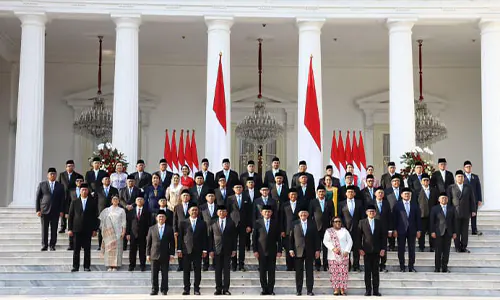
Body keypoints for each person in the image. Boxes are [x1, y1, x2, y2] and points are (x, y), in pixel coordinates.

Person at [177, 204, 208, 296]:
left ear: (198, 212)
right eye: (192, 210)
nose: (194, 212)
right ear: (188, 212)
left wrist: (205, 250)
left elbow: (205, 237)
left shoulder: (203, 223)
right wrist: (179, 249)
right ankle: (186, 289)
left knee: (197, 270)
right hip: (186, 250)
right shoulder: (183, 223)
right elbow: (180, 237)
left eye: (195, 210)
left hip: (198, 250)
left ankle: (196, 289)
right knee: (186, 270)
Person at [289, 210, 320, 296]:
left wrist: (317, 250)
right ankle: (299, 290)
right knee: (299, 272)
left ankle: (309, 290)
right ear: (299, 215)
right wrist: (291, 249)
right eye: (301, 214)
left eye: (305, 213)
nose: (303, 215)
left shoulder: (312, 223)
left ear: (308, 215)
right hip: (298, 251)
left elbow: (316, 237)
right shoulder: (294, 223)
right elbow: (291, 238)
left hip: (310, 250)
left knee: (309, 271)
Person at [68, 183, 98, 272]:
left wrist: (95, 229)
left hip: (88, 229)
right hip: (77, 229)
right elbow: (71, 216)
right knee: (76, 249)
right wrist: (69, 229)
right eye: (82, 190)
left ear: (88, 191)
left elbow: (95, 216)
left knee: (87, 249)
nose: (84, 191)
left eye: (85, 190)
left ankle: (87, 266)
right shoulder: (74, 201)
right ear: (80, 191)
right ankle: (75, 266)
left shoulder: (92, 202)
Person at [253, 205, 282, 295]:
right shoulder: (258, 223)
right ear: (261, 213)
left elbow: (279, 238)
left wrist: (279, 250)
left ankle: (270, 289)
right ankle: (264, 289)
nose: (267, 213)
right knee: (262, 271)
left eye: (269, 212)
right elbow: (254, 238)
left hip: (272, 250)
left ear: (271, 213)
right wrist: (255, 251)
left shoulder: (275, 223)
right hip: (261, 251)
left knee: (271, 271)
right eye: (265, 212)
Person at [358, 204, 386, 296]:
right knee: (367, 272)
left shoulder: (379, 222)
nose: (371, 213)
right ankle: (368, 290)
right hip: (366, 250)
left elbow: (383, 237)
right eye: (369, 211)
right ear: (366, 212)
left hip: (377, 251)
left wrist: (383, 248)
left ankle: (376, 290)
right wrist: (360, 248)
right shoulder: (362, 222)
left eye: (373, 211)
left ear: (375, 213)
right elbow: (358, 237)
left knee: (375, 272)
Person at [209, 205, 237, 295]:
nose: (222, 213)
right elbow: (210, 237)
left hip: (228, 249)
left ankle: (225, 289)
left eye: (223, 211)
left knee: (226, 270)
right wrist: (211, 250)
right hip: (216, 249)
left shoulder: (231, 222)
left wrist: (234, 249)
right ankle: (218, 289)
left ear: (226, 213)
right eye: (220, 211)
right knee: (217, 270)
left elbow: (234, 237)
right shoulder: (213, 222)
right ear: (217, 213)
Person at [146, 210, 175, 296]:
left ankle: (164, 290)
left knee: (165, 274)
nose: (161, 218)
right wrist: (148, 254)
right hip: (154, 255)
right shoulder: (151, 228)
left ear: (165, 218)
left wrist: (172, 254)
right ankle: (154, 289)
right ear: (156, 218)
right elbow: (148, 243)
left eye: (162, 217)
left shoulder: (169, 229)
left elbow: (172, 243)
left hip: (165, 255)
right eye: (159, 217)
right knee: (154, 274)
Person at [36, 167, 65, 251]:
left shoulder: (60, 186)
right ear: (47, 175)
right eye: (51, 174)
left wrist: (62, 210)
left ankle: (52, 245)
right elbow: (38, 198)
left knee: (54, 229)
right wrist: (38, 210)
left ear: (56, 175)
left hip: (56, 211)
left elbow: (62, 199)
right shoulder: (42, 184)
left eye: (54, 174)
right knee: (44, 229)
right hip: (44, 210)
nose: (52, 175)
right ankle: (44, 245)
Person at [447, 170, 476, 253]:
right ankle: (457, 247)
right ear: (455, 178)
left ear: (464, 178)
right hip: (455, 213)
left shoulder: (468, 187)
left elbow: (472, 199)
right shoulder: (451, 187)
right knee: (456, 230)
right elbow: (449, 201)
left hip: (466, 212)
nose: (460, 178)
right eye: (458, 176)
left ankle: (464, 246)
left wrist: (473, 210)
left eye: (461, 177)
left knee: (464, 231)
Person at [393, 187, 421, 272]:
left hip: (412, 230)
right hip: (401, 230)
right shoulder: (397, 205)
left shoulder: (415, 205)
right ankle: (402, 266)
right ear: (401, 195)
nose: (407, 195)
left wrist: (419, 230)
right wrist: (394, 229)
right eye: (405, 194)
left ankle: (411, 266)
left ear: (411, 195)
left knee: (412, 249)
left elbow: (418, 219)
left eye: (408, 194)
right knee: (401, 249)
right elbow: (394, 219)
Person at [323, 216, 353, 296]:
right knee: (334, 273)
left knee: (343, 273)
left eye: (339, 221)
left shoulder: (345, 231)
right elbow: (325, 241)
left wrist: (347, 251)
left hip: (344, 255)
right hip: (332, 256)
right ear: (332, 223)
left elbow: (350, 241)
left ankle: (342, 290)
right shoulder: (328, 231)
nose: (338, 223)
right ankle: (336, 289)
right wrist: (333, 248)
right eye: (336, 221)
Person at [227, 180, 252, 271]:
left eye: (240, 187)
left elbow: (250, 213)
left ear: (243, 188)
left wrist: (249, 225)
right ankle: (233, 264)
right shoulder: (230, 199)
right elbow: (227, 212)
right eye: (236, 187)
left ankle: (241, 264)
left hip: (243, 225)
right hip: (233, 225)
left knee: (242, 245)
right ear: (233, 189)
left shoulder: (246, 197)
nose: (238, 189)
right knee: (233, 245)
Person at [339, 185, 364, 271]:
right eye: (348, 192)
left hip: (357, 229)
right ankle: (347, 265)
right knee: (346, 248)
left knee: (356, 248)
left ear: (354, 193)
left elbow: (362, 216)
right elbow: (339, 217)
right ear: (346, 193)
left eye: (352, 192)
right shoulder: (341, 204)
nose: (350, 193)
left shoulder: (359, 202)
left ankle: (356, 265)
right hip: (345, 229)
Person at [430, 193, 458, 273]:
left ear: (448, 199)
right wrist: (432, 231)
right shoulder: (435, 209)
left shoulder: (452, 208)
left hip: (448, 232)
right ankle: (437, 268)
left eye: (445, 198)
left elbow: (454, 221)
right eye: (442, 198)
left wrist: (455, 232)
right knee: (438, 251)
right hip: (438, 232)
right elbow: (432, 221)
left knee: (446, 251)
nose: (444, 200)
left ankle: (444, 267)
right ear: (439, 200)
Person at [309, 184, 334, 271]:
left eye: (323, 191)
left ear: (325, 192)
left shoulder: (330, 202)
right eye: (319, 192)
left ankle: (326, 264)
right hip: (316, 228)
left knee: (326, 247)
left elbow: (333, 215)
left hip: (327, 228)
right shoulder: (313, 202)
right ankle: (317, 264)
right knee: (316, 247)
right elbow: (310, 215)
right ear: (317, 192)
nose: (321, 193)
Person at [98, 195, 126, 271]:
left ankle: (115, 266)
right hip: (108, 233)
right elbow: (102, 221)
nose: (115, 201)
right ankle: (109, 266)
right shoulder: (107, 210)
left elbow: (124, 222)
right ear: (111, 201)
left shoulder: (122, 210)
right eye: (114, 199)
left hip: (118, 231)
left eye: (117, 199)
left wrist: (123, 231)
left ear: (119, 201)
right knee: (109, 249)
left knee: (117, 249)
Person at [280, 188, 303, 271]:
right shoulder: (284, 205)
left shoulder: (300, 204)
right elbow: (281, 218)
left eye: (294, 194)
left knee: (297, 248)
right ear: (289, 196)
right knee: (288, 249)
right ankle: (289, 266)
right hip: (287, 230)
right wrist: (282, 230)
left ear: (297, 195)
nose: (293, 196)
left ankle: (296, 266)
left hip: (298, 230)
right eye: (291, 194)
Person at [414, 173, 439, 252]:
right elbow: (415, 204)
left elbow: (437, 202)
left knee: (432, 231)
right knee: (422, 232)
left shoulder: (434, 190)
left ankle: (433, 247)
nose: (426, 182)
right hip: (422, 215)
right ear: (421, 181)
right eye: (424, 180)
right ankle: (421, 246)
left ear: (429, 181)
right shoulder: (417, 191)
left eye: (427, 180)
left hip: (432, 215)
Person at [127, 195, 151, 272]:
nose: (139, 201)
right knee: (132, 250)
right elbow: (128, 223)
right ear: (135, 202)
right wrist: (128, 233)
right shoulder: (131, 211)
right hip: (133, 234)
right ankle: (132, 265)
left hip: (143, 234)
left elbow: (149, 223)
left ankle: (142, 265)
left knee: (142, 250)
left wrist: (148, 234)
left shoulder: (147, 211)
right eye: (138, 199)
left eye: (141, 199)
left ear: (143, 202)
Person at [57, 160, 83, 233]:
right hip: (63, 196)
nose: (70, 167)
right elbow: (59, 185)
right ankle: (63, 227)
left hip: (73, 196)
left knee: (72, 211)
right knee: (63, 211)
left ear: (74, 166)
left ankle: (72, 226)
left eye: (71, 166)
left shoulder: (78, 176)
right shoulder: (62, 175)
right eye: (68, 166)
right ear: (66, 167)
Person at [173, 189, 195, 271]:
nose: (185, 197)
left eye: (187, 195)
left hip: (190, 230)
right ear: (181, 197)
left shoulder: (192, 206)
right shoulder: (177, 207)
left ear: (189, 197)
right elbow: (174, 219)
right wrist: (175, 230)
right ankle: (180, 265)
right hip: (179, 230)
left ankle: (190, 265)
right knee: (180, 248)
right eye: (184, 195)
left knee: (190, 247)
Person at [96, 175, 119, 251]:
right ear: (102, 181)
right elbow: (95, 201)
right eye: (105, 179)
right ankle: (100, 245)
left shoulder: (114, 190)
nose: (107, 180)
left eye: (109, 179)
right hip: (101, 212)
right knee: (101, 229)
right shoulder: (98, 189)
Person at [373, 187, 392, 272]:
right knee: (375, 247)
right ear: (375, 194)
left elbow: (389, 217)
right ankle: (375, 264)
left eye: (381, 193)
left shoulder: (386, 203)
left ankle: (383, 265)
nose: (380, 194)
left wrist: (390, 229)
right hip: (374, 229)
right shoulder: (371, 203)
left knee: (383, 247)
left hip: (384, 229)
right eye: (378, 192)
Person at [199, 189, 218, 271]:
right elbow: (200, 219)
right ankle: (205, 264)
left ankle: (215, 263)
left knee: (215, 246)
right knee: (205, 247)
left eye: (212, 196)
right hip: (205, 229)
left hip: (216, 230)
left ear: (215, 197)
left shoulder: (218, 207)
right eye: (209, 196)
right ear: (206, 197)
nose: (211, 197)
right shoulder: (202, 207)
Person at [463, 160, 482, 235]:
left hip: (474, 200)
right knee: (466, 215)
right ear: (464, 168)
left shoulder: (475, 177)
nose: (468, 168)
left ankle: (474, 229)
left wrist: (480, 199)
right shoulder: (462, 177)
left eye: (469, 167)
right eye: (467, 167)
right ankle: (465, 230)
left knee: (474, 215)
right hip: (465, 200)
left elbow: (478, 188)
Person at [66, 177, 84, 250]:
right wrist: (66, 212)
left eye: (81, 181)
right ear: (75, 182)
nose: (79, 182)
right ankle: (71, 245)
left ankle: (81, 244)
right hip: (72, 211)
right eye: (77, 181)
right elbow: (67, 201)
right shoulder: (71, 190)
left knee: (81, 229)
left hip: (82, 212)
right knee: (71, 228)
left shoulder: (85, 190)